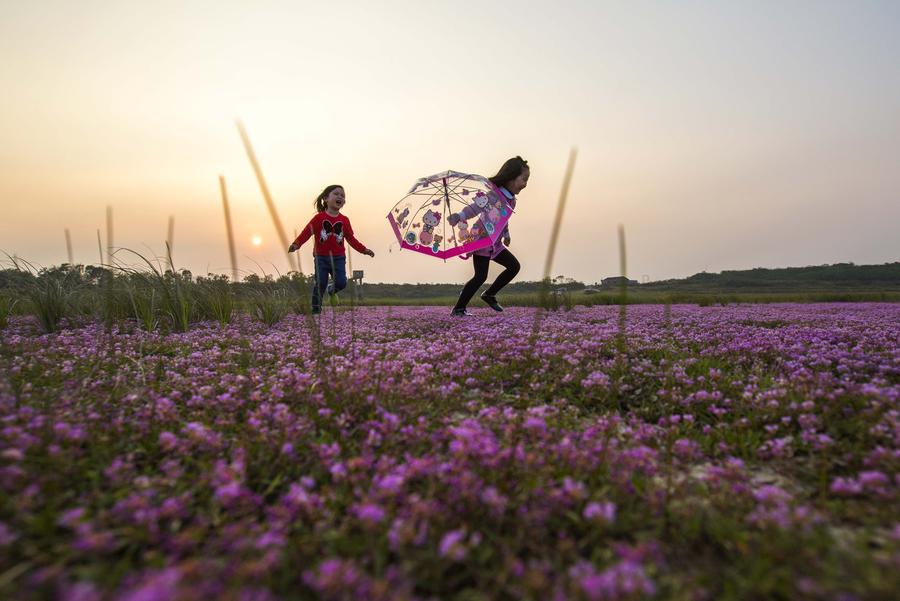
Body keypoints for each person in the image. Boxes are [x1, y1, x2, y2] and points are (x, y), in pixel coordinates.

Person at [448, 156, 528, 315]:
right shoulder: (493, 196)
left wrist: (506, 233)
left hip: (495, 243)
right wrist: (459, 216)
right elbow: (474, 208)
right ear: (511, 177)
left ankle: (490, 294)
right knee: (480, 276)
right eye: (524, 179)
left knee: (514, 266)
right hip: (481, 240)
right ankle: (458, 309)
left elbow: (503, 218)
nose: (525, 184)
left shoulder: (512, 201)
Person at [288, 185, 375, 314]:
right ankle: (316, 309)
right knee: (320, 283)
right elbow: (306, 232)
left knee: (341, 282)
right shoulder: (319, 218)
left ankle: (331, 290)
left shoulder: (345, 220)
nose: (340, 197)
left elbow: (351, 239)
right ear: (326, 198)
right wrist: (296, 244)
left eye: (343, 196)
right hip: (321, 257)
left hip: (338, 257)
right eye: (336, 194)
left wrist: (364, 250)